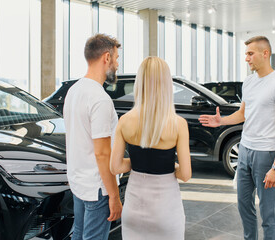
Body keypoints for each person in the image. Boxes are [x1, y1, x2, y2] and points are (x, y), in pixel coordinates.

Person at [199, 36, 275, 240]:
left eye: (250, 54)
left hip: (266, 155)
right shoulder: (249, 82)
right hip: (244, 151)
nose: (246, 59)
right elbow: (243, 113)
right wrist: (221, 121)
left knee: (268, 214)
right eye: (246, 54)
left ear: (265, 53)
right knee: (244, 207)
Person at [110, 56, 192, 240]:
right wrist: (170, 165)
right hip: (166, 211)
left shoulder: (125, 121)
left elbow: (115, 167)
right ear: (166, 84)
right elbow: (185, 174)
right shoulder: (178, 124)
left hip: (134, 209)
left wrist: (139, 161)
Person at [63, 34, 122, 240]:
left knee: (78, 234)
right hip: (97, 188)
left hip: (78, 182)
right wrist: (114, 196)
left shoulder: (73, 91)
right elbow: (102, 154)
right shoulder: (100, 99)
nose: (117, 64)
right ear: (106, 57)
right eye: (116, 58)